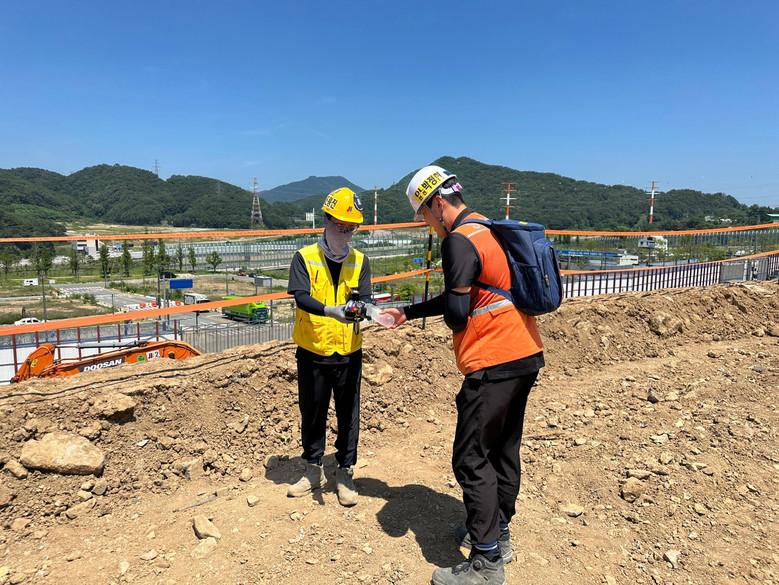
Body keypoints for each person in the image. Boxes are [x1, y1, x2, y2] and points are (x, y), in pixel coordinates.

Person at [384, 165, 545, 585]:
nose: (426, 223)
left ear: (437, 203)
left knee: (471, 457)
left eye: (424, 214)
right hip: (525, 352)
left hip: (492, 360)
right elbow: (474, 291)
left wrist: (456, 315)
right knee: (503, 449)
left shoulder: (457, 240)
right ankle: (498, 533)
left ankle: (486, 562)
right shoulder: (486, 230)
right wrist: (410, 312)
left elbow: (458, 313)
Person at [286, 187, 372, 507]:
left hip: (348, 352)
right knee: (312, 411)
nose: (344, 234)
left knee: (348, 415)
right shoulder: (304, 258)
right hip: (313, 350)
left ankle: (345, 471)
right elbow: (301, 296)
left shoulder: (360, 261)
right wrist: (329, 310)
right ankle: (313, 469)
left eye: (350, 229)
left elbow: (365, 299)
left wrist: (365, 311)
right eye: (340, 227)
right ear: (325, 220)